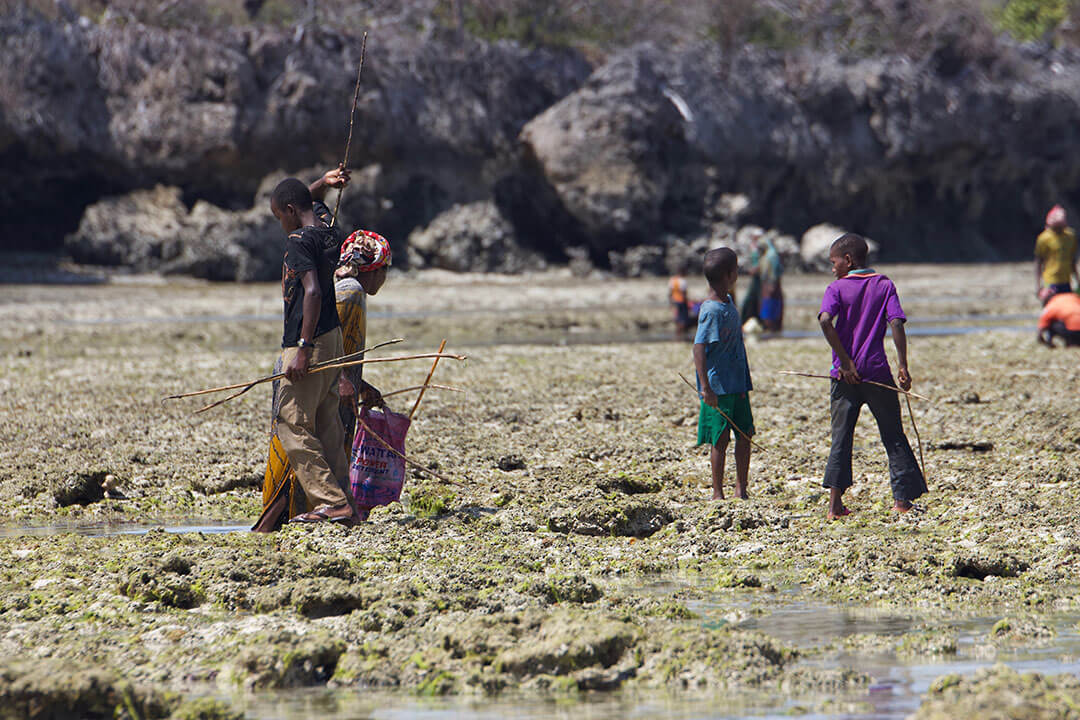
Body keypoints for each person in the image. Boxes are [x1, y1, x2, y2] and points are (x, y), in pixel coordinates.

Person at [262, 173, 357, 526]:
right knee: (326, 422)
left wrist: (302, 348)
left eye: (279, 216)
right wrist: (325, 182)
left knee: (291, 423)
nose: (280, 224)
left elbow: (313, 292)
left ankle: (330, 502)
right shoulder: (328, 229)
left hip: (311, 341)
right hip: (333, 338)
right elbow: (303, 200)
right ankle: (346, 503)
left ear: (289, 211)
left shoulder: (299, 242)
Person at [817, 233, 926, 520]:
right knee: (893, 435)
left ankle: (834, 506)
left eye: (834, 262)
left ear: (848, 260)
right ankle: (902, 501)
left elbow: (825, 320)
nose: (832, 268)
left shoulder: (836, 288)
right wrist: (903, 365)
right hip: (877, 373)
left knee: (841, 438)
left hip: (844, 376)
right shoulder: (884, 285)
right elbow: (897, 324)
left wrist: (844, 361)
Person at [693, 247, 754, 501]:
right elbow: (699, 348)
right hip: (718, 386)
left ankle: (741, 488)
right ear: (730, 275)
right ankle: (717, 492)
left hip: (738, 381)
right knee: (719, 439)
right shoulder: (710, 310)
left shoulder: (728, 303)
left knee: (745, 433)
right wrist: (705, 387)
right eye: (737, 269)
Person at [1035, 205, 1078, 303]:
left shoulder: (1070, 236)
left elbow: (1073, 260)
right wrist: (1038, 285)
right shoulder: (1044, 238)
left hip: (1066, 281)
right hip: (1051, 281)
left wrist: (1077, 280)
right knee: (1052, 310)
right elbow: (1038, 262)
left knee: (1067, 309)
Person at [758, 235, 784, 332]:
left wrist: (771, 286)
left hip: (769, 285)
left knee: (769, 306)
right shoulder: (771, 254)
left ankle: (770, 327)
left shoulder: (770, 256)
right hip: (770, 284)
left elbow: (771, 273)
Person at [669, 262, 695, 340]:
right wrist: (688, 303)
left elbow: (670, 292)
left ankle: (678, 335)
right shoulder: (683, 281)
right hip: (682, 301)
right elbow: (684, 293)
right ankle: (683, 336)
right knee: (683, 319)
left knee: (677, 318)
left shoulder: (672, 280)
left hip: (675, 301)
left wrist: (670, 303)